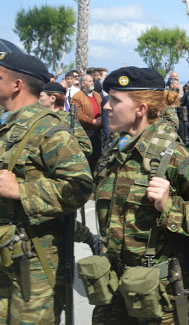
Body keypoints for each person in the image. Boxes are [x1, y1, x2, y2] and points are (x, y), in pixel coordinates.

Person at [91, 66, 189, 323]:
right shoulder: (115, 151)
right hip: (112, 289)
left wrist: (169, 204)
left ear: (141, 109)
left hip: (157, 297)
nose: (106, 106)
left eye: (115, 100)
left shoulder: (172, 155)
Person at [0, 53, 93, 323]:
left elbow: (79, 187)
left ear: (17, 84)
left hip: (33, 261)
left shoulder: (49, 130)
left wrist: (21, 191)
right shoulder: (6, 126)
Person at [39, 81, 103, 255]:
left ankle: (89, 239)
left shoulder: (67, 119)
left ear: (52, 98)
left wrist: (63, 152)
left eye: (41, 96)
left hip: (60, 179)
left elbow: (85, 146)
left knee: (63, 223)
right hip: (42, 181)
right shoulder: (38, 120)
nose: (38, 99)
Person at [71, 73, 103, 171]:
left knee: (98, 155)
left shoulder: (97, 95)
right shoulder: (77, 97)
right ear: (83, 84)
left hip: (98, 129)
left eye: (92, 81)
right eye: (89, 81)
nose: (92, 83)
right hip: (86, 130)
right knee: (88, 155)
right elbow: (78, 114)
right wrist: (91, 121)